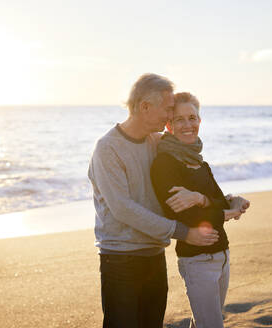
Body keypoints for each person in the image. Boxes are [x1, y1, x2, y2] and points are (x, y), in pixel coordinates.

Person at [88, 74, 221, 328]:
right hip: (120, 258)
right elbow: (124, 209)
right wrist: (184, 232)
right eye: (168, 109)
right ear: (145, 107)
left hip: (154, 253)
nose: (170, 116)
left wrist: (217, 201)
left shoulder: (157, 141)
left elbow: (191, 162)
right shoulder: (107, 148)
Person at [150, 92, 250, 328]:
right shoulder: (164, 164)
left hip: (222, 254)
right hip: (197, 259)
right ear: (169, 125)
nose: (188, 125)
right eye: (180, 119)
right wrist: (225, 212)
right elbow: (184, 216)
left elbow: (216, 201)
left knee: (203, 324)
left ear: (200, 121)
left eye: (192, 118)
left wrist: (214, 200)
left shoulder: (200, 163)